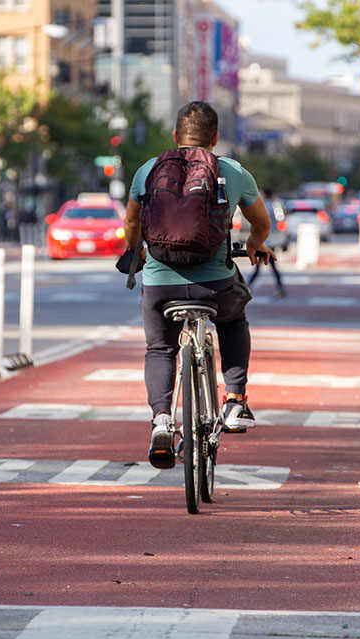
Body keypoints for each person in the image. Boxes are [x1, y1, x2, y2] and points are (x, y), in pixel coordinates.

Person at [125, 101, 276, 469]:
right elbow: (261, 222)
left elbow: (132, 225)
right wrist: (255, 245)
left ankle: (162, 420)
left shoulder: (148, 170)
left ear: (176, 136)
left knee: (160, 349)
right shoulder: (233, 171)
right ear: (216, 138)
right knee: (234, 317)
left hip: (161, 286)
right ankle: (236, 401)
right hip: (216, 285)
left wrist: (137, 254)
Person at [247, 188, 287, 298]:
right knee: (270, 267)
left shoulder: (263, 207)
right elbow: (281, 221)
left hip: (263, 241)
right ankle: (281, 289)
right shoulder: (275, 206)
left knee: (259, 267)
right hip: (270, 241)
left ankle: (246, 288)